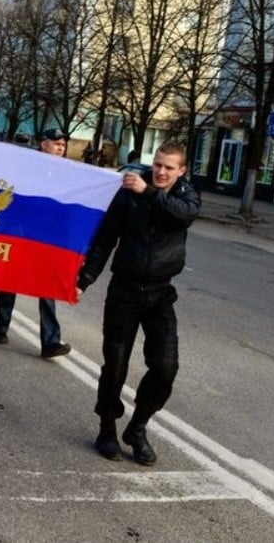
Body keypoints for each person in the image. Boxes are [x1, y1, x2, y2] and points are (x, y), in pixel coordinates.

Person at [76, 141, 200, 466]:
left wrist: (147, 192)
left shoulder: (184, 195)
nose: (161, 172)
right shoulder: (130, 190)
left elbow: (184, 215)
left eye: (168, 168)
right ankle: (107, 427)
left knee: (165, 367)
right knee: (115, 365)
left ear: (181, 171)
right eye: (157, 164)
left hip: (161, 294)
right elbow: (106, 239)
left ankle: (138, 427)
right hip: (125, 291)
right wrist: (84, 280)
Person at [0, 128, 74, 358]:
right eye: (56, 143)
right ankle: (1, 326)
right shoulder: (27, 165)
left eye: (63, 144)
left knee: (47, 286)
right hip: (22, 233)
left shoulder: (67, 171)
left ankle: (50, 342)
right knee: (11, 281)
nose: (60, 148)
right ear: (43, 143)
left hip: (47, 237)